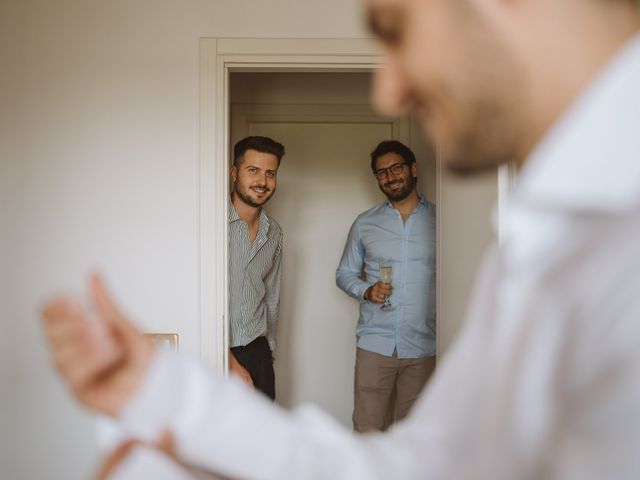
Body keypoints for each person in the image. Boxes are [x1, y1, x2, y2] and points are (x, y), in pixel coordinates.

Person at [41, 0, 640, 478]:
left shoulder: (591, 242)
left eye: (395, 28)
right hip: (361, 344)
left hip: (408, 345)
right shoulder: (542, 248)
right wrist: (169, 393)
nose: (387, 91)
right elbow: (421, 466)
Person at [336, 140, 436, 432]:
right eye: (382, 172)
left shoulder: (442, 220)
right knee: (367, 431)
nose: (390, 177)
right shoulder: (365, 224)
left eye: (396, 168)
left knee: (415, 437)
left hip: (425, 346)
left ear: (413, 169)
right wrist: (366, 290)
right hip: (375, 345)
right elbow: (344, 273)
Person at [227, 135, 284, 400]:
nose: (262, 182)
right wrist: (229, 363)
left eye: (270, 173)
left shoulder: (274, 233)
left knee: (263, 438)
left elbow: (271, 294)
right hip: (218, 351)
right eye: (253, 171)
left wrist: (268, 352)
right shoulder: (209, 224)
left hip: (258, 351)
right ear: (234, 173)